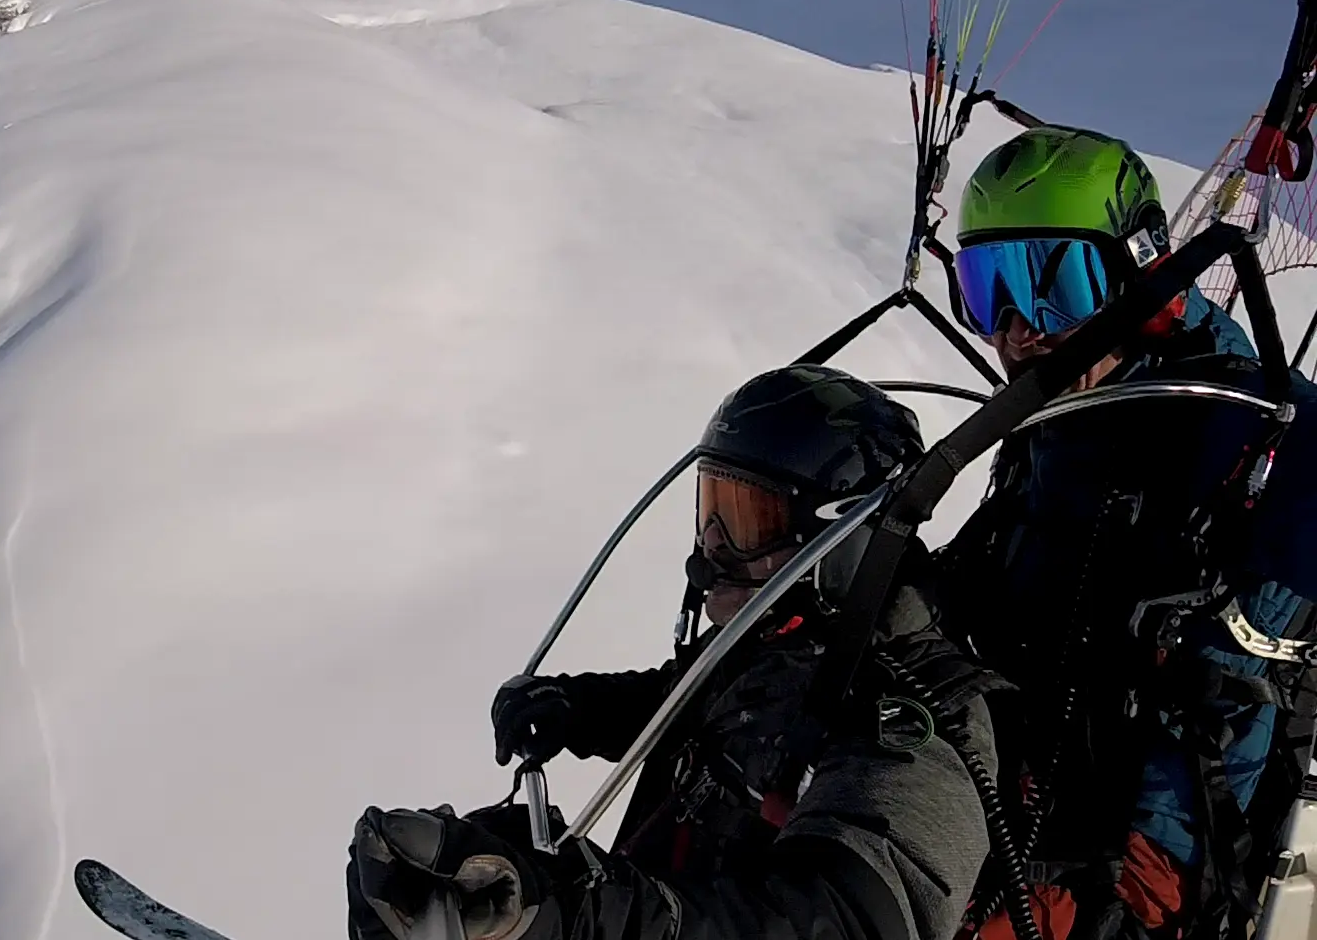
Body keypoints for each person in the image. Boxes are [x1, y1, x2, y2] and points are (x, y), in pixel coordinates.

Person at [346, 365, 1009, 940]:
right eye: (711, 511)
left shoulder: (920, 720)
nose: (712, 551)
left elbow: (849, 919)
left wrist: (577, 917)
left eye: (748, 523)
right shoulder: (783, 642)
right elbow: (691, 699)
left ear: (843, 537)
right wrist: (579, 707)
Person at [935, 124, 1317, 940]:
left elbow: (1231, 709)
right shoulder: (1058, 427)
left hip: (1134, 874)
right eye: (985, 286)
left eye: (1051, 283)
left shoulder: (1242, 440)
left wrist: (1130, 899)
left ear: (1140, 269)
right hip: (1001, 815)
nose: (1015, 327)